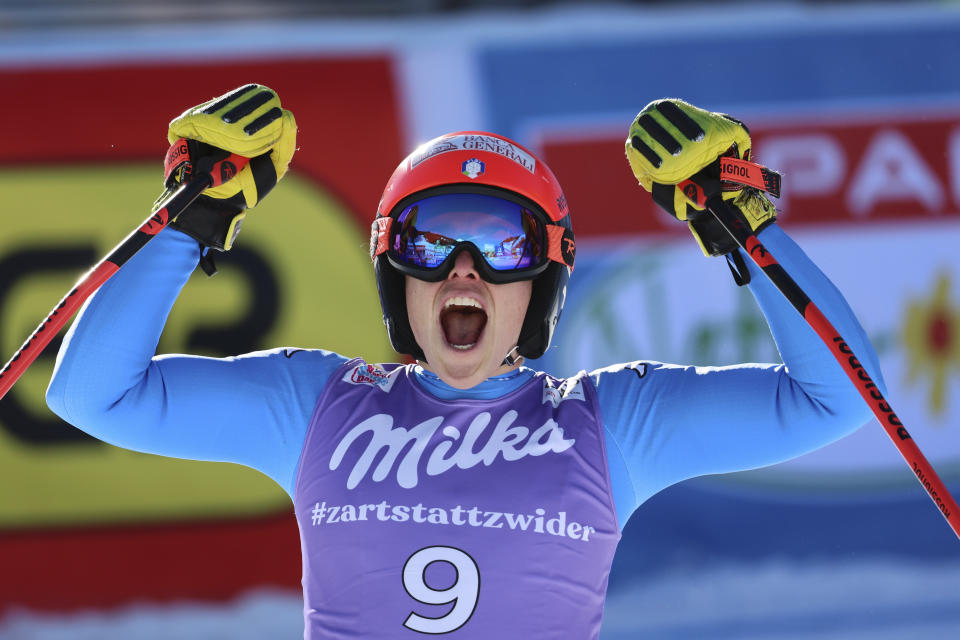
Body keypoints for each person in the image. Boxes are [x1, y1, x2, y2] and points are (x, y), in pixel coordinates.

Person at [47, 84, 882, 639]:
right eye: (431, 239)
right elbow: (92, 396)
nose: (464, 270)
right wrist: (186, 219)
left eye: (502, 244)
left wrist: (747, 226)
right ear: (394, 272)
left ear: (545, 280)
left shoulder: (611, 425)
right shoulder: (316, 405)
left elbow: (840, 399)